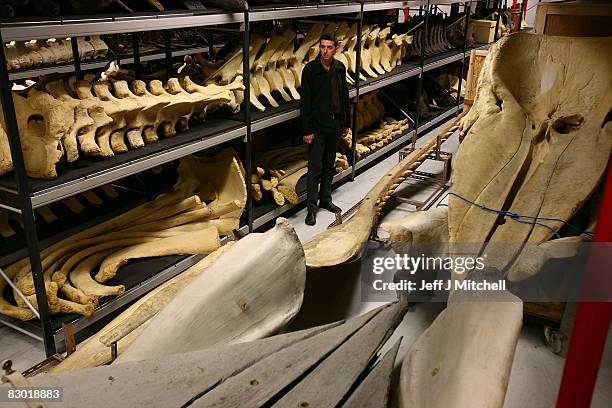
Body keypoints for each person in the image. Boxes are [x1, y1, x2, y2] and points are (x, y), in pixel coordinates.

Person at [300, 32, 351, 226]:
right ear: (318, 48)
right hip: (317, 128)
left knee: (329, 165)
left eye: (329, 47)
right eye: (322, 47)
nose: (325, 51)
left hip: (335, 125)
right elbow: (305, 102)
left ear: (335, 48)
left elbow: (344, 96)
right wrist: (307, 130)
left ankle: (326, 200)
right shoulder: (310, 70)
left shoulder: (339, 68)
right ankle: (311, 209)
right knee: (315, 169)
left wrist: (346, 122)